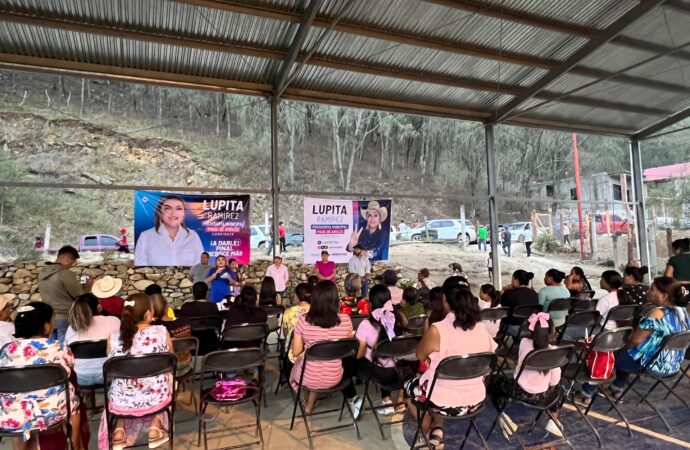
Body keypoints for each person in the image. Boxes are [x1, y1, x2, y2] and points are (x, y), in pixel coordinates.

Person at [406, 288, 497, 448]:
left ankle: (425, 430)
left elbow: (420, 355)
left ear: (446, 303)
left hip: (442, 403)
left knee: (409, 389)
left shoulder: (437, 329)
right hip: (474, 401)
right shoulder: (482, 329)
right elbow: (490, 356)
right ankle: (438, 429)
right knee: (439, 385)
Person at [581, 277, 690, 402]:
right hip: (672, 367)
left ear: (663, 296)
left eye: (653, 289)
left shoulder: (657, 313)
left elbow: (635, 340)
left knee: (604, 354)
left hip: (651, 366)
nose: (648, 291)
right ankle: (617, 388)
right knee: (626, 354)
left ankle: (586, 394)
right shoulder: (683, 312)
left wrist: (620, 348)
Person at [0, 302, 84, 450]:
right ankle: (75, 444)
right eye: (53, 320)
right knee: (74, 398)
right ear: (46, 327)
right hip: (54, 411)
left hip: (13, 415)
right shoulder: (59, 347)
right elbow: (70, 372)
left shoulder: (6, 351)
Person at [97, 294, 173, 449]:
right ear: (148, 314)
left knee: (123, 383)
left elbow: (113, 369)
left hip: (121, 399)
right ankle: (155, 426)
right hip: (156, 396)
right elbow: (170, 361)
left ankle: (119, 429)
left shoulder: (112, 338)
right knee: (170, 377)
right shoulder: (161, 332)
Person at [290, 281, 360, 417]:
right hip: (335, 376)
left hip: (308, 376)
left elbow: (296, 351)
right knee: (322, 360)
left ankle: (307, 403)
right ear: (335, 299)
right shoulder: (345, 320)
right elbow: (348, 346)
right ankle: (309, 405)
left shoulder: (303, 321)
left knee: (304, 365)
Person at [489, 312, 563, 439]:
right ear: (551, 332)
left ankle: (505, 419)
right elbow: (555, 381)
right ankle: (554, 421)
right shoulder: (553, 351)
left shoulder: (524, 343)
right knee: (557, 388)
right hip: (543, 396)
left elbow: (517, 371)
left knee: (493, 383)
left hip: (520, 392)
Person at [353, 284, 408, 415]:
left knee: (355, 361)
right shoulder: (400, 318)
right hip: (403, 372)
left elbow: (359, 355)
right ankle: (394, 400)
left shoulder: (366, 324)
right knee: (384, 357)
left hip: (381, 374)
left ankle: (357, 399)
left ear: (371, 303)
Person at [65, 293, 121, 386]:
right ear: (99, 307)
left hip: (80, 377)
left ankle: (88, 398)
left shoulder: (72, 327)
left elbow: (68, 353)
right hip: (109, 374)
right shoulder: (114, 321)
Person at [134, 195, 204, 266]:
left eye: (178, 208)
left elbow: (200, 268)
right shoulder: (145, 237)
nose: (173, 213)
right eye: (167, 208)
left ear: (183, 214)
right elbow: (140, 268)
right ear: (159, 213)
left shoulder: (193, 236)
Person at [38, 245, 87, 343]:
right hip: (65, 317)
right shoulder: (66, 274)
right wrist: (86, 285)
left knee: (51, 347)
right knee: (64, 348)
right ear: (64, 258)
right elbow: (79, 295)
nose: (71, 265)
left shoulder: (43, 273)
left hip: (49, 317)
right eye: (72, 262)